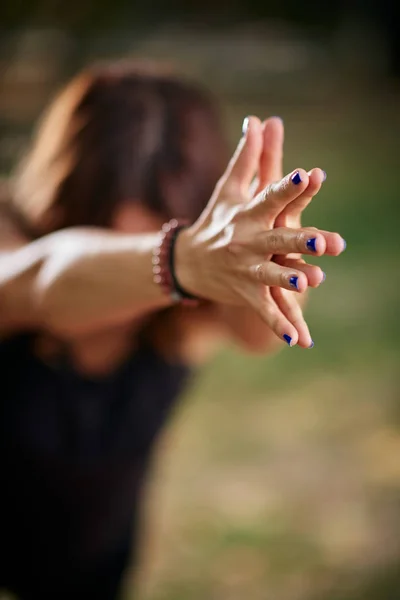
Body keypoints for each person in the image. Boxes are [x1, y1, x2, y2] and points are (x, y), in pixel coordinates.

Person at [0, 61, 345, 600]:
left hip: (100, 564)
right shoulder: (11, 238)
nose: (130, 305)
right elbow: (39, 279)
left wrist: (272, 255)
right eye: (111, 248)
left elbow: (260, 336)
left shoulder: (194, 303)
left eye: (170, 230)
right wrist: (178, 261)